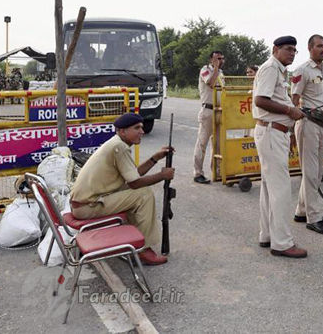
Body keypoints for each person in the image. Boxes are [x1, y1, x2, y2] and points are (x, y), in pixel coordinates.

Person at [70, 113, 175, 265]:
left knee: (134, 193)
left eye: (141, 127)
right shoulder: (119, 147)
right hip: (87, 207)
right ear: (122, 131)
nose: (142, 131)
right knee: (143, 194)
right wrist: (162, 175)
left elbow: (133, 175)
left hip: (85, 204)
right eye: (136, 128)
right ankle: (142, 249)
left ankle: (135, 241)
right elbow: (135, 183)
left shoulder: (116, 143)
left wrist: (155, 158)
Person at [252, 36, 307, 258]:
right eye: (287, 49)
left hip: (275, 132)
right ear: (275, 49)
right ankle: (282, 243)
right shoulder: (270, 68)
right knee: (281, 189)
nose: (292, 53)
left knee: (269, 188)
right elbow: (260, 100)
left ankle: (267, 235)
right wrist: (289, 111)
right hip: (271, 131)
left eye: (294, 50)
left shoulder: (278, 70)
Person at [290, 35, 323, 235]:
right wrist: (291, 129)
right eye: (319, 46)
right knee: (311, 171)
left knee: (316, 171)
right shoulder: (302, 70)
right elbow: (294, 99)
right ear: (310, 48)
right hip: (308, 123)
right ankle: (313, 217)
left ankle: (301, 210)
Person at [192, 51, 225, 184]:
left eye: (222, 58)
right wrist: (216, 68)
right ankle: (197, 172)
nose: (220, 60)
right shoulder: (205, 70)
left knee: (217, 144)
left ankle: (216, 171)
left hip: (219, 110)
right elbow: (211, 83)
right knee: (202, 143)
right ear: (211, 59)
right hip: (208, 110)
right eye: (217, 58)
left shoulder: (221, 73)